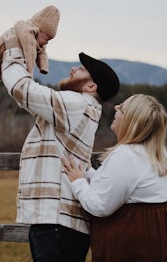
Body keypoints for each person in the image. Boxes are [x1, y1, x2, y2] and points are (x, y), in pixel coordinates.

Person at [1, 29, 120, 262]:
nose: (73, 69)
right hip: (59, 222)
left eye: (82, 69)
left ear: (90, 87)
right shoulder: (81, 107)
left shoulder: (78, 104)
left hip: (58, 221)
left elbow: (22, 89)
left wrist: (13, 50)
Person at [62, 94, 167, 262]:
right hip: (152, 241)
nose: (116, 108)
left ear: (130, 121)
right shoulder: (157, 153)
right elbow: (122, 186)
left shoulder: (126, 155)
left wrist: (78, 182)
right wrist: (89, 173)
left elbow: (101, 206)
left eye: (121, 108)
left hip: (130, 245)